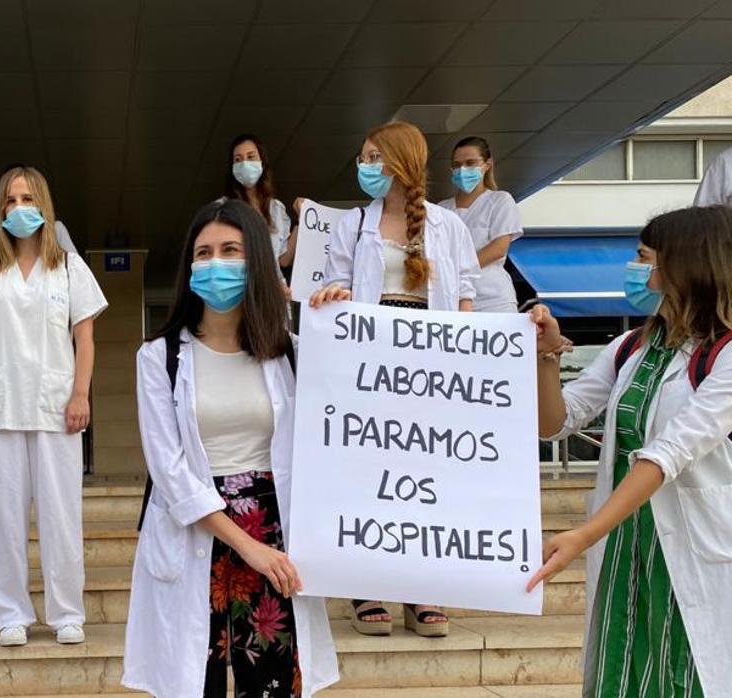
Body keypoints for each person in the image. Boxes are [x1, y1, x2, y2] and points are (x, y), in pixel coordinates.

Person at [122, 199, 339, 697]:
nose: (215, 263)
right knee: (195, 682)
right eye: (203, 253)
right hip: (202, 527)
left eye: (230, 250)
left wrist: (341, 319)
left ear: (257, 260)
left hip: (275, 528)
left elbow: (350, 423)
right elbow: (170, 472)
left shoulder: (293, 352)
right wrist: (247, 545)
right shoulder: (160, 358)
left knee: (271, 683)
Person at [526, 206, 732, 697]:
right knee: (621, 671)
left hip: (688, 546)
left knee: (685, 674)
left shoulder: (724, 355)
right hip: (624, 544)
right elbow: (556, 422)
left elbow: (668, 453)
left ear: (682, 266)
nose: (634, 268)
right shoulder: (632, 347)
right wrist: (548, 356)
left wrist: (583, 534)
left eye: (643, 258)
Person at [308, 120, 480, 638]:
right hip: (367, 367)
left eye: (373, 158)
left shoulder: (447, 227)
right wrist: (334, 298)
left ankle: (423, 586)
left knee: (424, 475)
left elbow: (465, 292)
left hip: (430, 368)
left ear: (401, 161)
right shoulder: (352, 225)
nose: (364, 168)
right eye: (363, 158)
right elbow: (336, 286)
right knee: (371, 473)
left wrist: (467, 357)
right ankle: (367, 584)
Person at [0, 165, 107, 647]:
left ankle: (66, 613)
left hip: (56, 406)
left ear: (45, 206)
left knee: (61, 515)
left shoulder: (70, 267)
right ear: (1, 211)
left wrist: (81, 393)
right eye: (10, 202)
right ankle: (9, 613)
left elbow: (86, 336)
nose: (19, 209)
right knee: (0, 518)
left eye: (28, 200)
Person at [438, 136, 523, 313]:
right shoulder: (441, 209)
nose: (462, 170)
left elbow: (498, 248)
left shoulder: (500, 200)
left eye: (470, 163)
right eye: (457, 165)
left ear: (487, 164)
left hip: (493, 300)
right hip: (452, 299)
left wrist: (455, 269)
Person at [226, 134, 294, 270]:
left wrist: (302, 220)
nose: (244, 163)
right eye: (238, 160)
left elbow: (283, 260)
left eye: (251, 157)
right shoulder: (224, 209)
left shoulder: (276, 208)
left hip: (273, 287)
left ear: (262, 162)